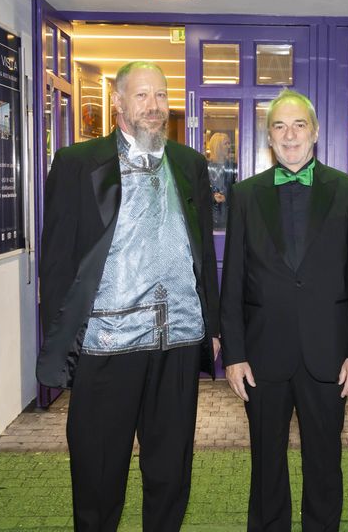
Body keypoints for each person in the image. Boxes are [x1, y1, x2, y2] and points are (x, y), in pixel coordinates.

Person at [35, 61, 220, 532]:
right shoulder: (78, 164)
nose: (154, 106)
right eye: (142, 96)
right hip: (106, 345)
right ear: (118, 103)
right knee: (98, 475)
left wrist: (213, 326)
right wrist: (63, 338)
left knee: (170, 473)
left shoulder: (189, 163)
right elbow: (56, 263)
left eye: (160, 96)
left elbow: (201, 253)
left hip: (176, 340)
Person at [220, 89, 348, 532]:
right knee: (265, 463)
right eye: (280, 126)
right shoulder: (246, 194)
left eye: (299, 125)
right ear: (269, 137)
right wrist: (234, 353)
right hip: (262, 355)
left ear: (316, 133)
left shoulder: (346, 190)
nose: (290, 135)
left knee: (325, 463)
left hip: (329, 356)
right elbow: (233, 281)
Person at [207, 131, 237, 230]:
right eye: (226, 143)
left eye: (229, 143)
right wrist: (212, 197)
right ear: (217, 146)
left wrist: (227, 197)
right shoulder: (205, 167)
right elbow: (199, 190)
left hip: (229, 215)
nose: (229, 146)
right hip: (210, 216)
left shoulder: (234, 166)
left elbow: (239, 189)